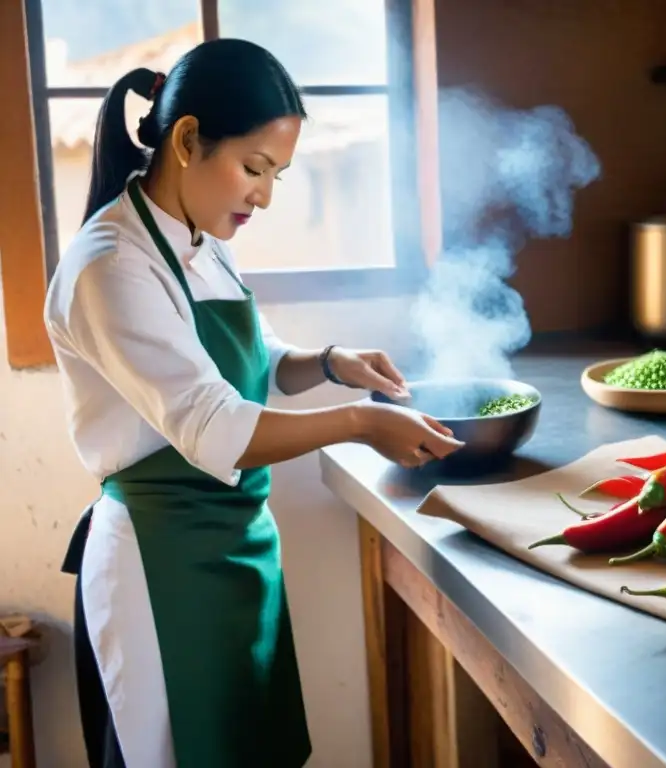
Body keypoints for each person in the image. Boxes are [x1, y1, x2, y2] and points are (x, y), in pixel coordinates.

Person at [43, 38, 463, 768]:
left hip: (234, 547)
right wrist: (362, 423)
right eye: (254, 168)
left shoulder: (202, 239)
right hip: (160, 560)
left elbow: (254, 362)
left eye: (277, 175)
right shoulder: (110, 266)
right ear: (185, 141)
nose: (264, 195)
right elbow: (211, 423)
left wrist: (333, 362)